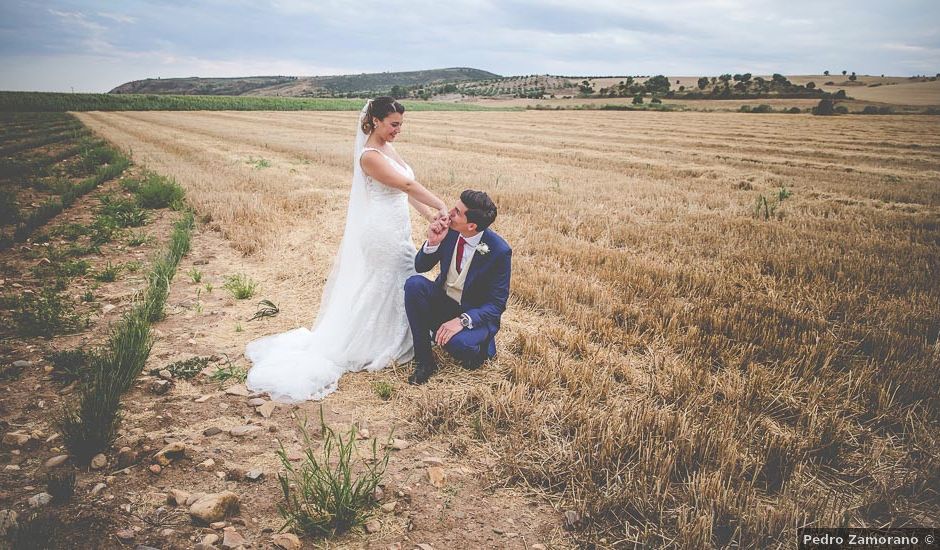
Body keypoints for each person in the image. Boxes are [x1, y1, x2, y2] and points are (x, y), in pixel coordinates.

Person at [245, 97, 447, 402]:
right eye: (394, 124)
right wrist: (441, 204)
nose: (398, 130)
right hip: (381, 232)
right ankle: (383, 344)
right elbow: (406, 186)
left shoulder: (387, 148)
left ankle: (407, 340)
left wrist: (430, 216)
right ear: (376, 121)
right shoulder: (370, 156)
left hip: (397, 226)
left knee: (400, 281)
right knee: (389, 283)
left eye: (401, 125)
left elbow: (405, 188)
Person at [404, 190, 512, 384]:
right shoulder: (450, 232)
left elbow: (497, 305)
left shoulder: (499, 251)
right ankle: (425, 361)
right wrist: (432, 242)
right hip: (444, 302)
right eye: (454, 207)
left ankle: (480, 345)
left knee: (460, 347)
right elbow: (420, 267)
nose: (450, 213)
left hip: (473, 313)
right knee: (414, 284)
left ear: (471, 225)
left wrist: (462, 321)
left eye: (458, 212)